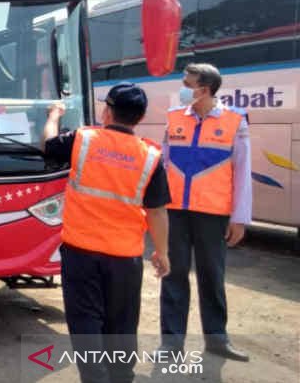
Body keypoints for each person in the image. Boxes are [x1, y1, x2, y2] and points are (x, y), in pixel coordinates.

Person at [42, 82, 171, 383]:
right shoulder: (149, 156)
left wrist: (53, 116)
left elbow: (48, 146)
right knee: (123, 324)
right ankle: (121, 377)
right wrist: (162, 252)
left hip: (81, 252)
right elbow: (157, 211)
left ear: (108, 111)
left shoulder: (83, 140)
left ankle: (94, 377)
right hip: (125, 257)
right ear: (138, 118)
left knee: (86, 319)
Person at [159, 63, 251, 361]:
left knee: (212, 276)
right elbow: (163, 164)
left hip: (213, 215)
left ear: (205, 89)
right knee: (173, 275)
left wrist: (240, 218)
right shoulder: (174, 118)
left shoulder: (236, 121)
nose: (183, 87)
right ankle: (171, 344)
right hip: (175, 212)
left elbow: (242, 172)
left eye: (188, 83)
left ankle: (216, 339)